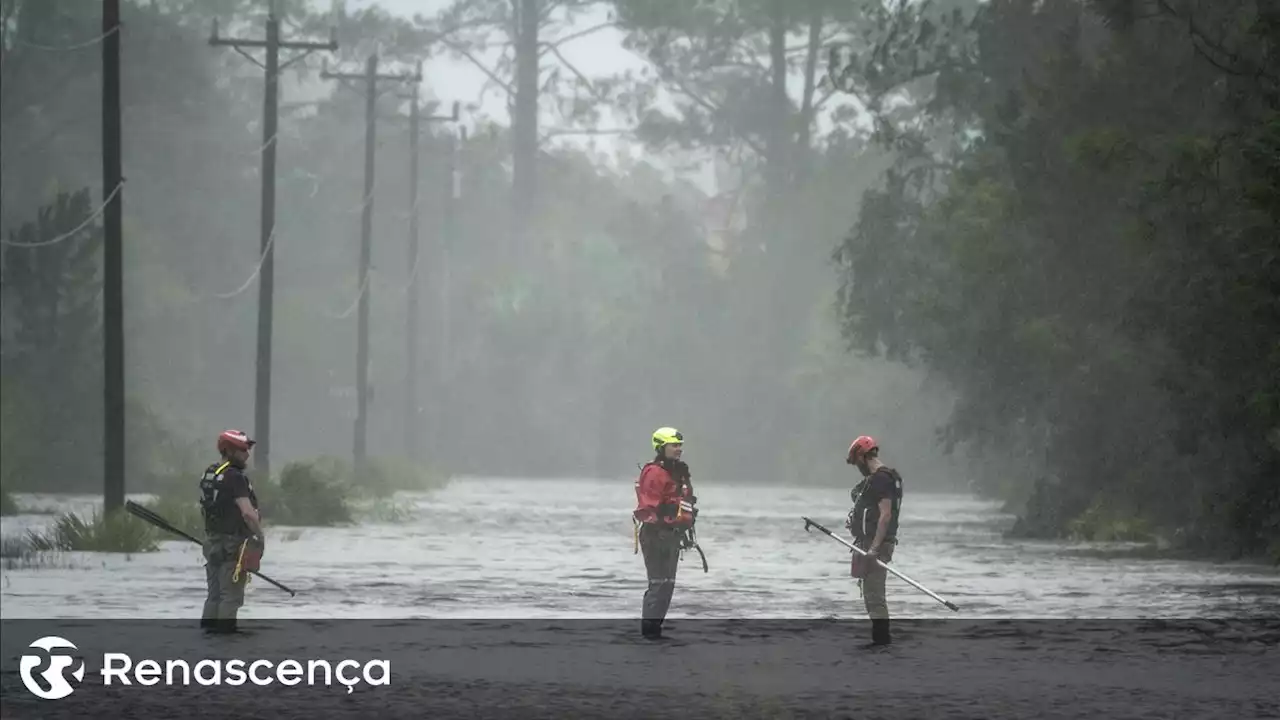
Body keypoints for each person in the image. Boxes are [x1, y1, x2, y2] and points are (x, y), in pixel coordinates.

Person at [633, 426, 697, 639]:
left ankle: (654, 632)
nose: (678, 449)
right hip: (656, 535)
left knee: (667, 587)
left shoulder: (677, 472)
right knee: (659, 585)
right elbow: (648, 508)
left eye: (680, 445)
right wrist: (660, 529)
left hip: (671, 535)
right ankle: (649, 635)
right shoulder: (654, 473)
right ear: (662, 447)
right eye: (674, 445)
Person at [199, 429, 264, 634]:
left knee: (215, 595)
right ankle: (226, 640)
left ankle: (208, 634)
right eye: (242, 449)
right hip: (233, 544)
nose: (247, 453)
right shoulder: (235, 477)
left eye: (247, 449)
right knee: (231, 597)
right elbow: (247, 513)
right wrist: (260, 537)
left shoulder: (211, 472)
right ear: (228, 450)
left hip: (212, 542)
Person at [845, 434, 903, 647]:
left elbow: (885, 515)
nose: (857, 467)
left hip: (876, 545)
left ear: (862, 456)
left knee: (875, 598)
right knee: (871, 596)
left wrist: (874, 549)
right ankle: (880, 643)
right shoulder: (884, 478)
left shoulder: (882, 479)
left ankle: (882, 646)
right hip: (870, 542)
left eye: (856, 462)